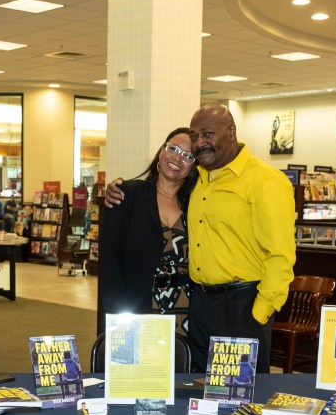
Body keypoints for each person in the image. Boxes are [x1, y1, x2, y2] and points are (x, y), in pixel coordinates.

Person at [106, 105, 296, 373]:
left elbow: (281, 255)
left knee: (237, 398)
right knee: (196, 390)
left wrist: (257, 315)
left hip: (242, 305)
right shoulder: (200, 182)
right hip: (199, 306)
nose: (199, 143)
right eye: (194, 136)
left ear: (231, 132)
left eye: (207, 133)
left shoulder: (266, 180)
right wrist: (107, 191)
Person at [99, 127, 198, 339]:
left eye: (187, 156)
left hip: (187, 313)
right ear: (161, 151)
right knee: (140, 370)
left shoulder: (198, 205)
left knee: (182, 369)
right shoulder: (126, 195)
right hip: (137, 307)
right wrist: (112, 323)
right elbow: (110, 265)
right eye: (173, 148)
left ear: (194, 167)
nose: (177, 158)